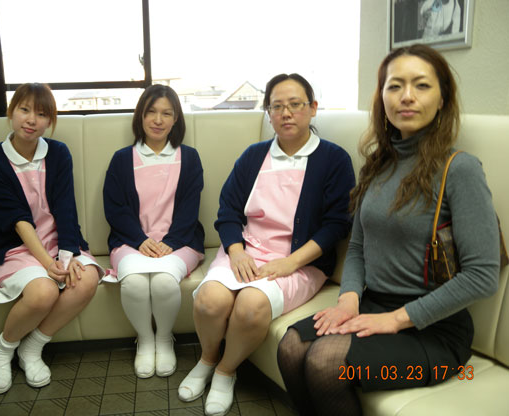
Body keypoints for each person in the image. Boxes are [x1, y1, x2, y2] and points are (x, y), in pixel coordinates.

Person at [277, 44, 500, 416]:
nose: (406, 96)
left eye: (421, 85)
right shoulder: (378, 164)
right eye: (395, 86)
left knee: (325, 361)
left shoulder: (460, 169)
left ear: (443, 99)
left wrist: (395, 319)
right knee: (291, 347)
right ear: (382, 98)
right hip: (373, 304)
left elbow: (483, 276)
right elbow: (358, 246)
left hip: (435, 329)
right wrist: (349, 297)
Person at [178, 73, 355, 416]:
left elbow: (337, 224)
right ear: (268, 113)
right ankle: (207, 359)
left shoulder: (334, 159)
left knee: (251, 305)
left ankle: (226, 371)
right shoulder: (253, 156)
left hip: (300, 261)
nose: (286, 113)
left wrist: (291, 262)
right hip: (247, 250)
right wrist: (236, 251)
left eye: (295, 105)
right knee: (210, 301)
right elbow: (228, 211)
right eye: (277, 106)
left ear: (313, 108)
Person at [0, 83, 103, 395]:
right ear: (11, 112)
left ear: (50, 121)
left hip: (60, 242)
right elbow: (17, 221)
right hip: (17, 247)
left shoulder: (58, 153)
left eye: (42, 114)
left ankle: (32, 347)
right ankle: (3, 351)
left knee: (86, 279)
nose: (31, 120)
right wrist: (48, 263)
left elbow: (66, 207)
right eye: (24, 110)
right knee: (43, 292)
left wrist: (67, 256)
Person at [103, 85, 204, 378]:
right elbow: (115, 209)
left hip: (180, 241)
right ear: (141, 116)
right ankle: (146, 340)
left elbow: (190, 207)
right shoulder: (122, 159)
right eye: (151, 112)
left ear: (176, 119)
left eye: (166, 113)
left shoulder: (190, 157)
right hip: (131, 241)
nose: (158, 120)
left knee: (163, 282)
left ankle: (164, 339)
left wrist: (170, 242)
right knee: (134, 283)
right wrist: (140, 240)